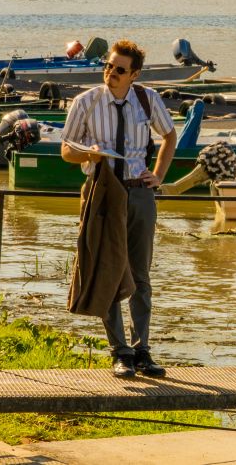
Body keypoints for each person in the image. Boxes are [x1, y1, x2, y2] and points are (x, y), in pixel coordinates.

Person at [61, 39, 177, 378]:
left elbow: (170, 136)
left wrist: (157, 175)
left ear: (134, 74)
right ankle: (120, 352)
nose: (111, 73)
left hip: (138, 193)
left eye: (119, 70)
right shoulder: (85, 102)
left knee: (140, 274)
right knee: (108, 269)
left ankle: (143, 350)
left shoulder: (147, 99)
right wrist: (89, 155)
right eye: (108, 66)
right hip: (102, 193)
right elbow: (66, 151)